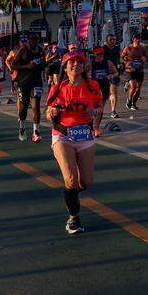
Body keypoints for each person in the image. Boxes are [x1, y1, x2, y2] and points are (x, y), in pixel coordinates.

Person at [45, 51, 104, 235]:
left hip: (84, 135)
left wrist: (94, 114)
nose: (76, 65)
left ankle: (72, 195)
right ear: (65, 66)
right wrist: (52, 114)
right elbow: (49, 112)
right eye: (71, 62)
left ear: (84, 66)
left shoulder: (93, 86)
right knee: (70, 180)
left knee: (85, 181)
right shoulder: (58, 87)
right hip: (62, 135)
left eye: (79, 62)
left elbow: (99, 107)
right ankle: (74, 217)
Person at [7, 42, 46, 141]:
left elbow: (44, 64)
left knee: (36, 106)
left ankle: (36, 132)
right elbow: (12, 65)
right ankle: (22, 128)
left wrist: (42, 64)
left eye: (36, 39)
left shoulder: (40, 51)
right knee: (23, 107)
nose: (33, 41)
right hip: (23, 82)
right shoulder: (20, 51)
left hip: (36, 82)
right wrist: (27, 66)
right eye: (31, 39)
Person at [89, 47, 119, 118]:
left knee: (101, 106)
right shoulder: (91, 63)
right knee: (94, 105)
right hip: (94, 87)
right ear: (94, 55)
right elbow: (84, 72)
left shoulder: (108, 63)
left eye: (101, 54)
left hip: (104, 86)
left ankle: (97, 122)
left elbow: (116, 73)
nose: (100, 56)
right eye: (98, 55)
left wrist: (111, 76)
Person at [121, 36, 148, 111]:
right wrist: (126, 62)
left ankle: (134, 104)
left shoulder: (143, 48)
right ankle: (129, 99)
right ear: (133, 39)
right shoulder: (128, 48)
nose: (138, 40)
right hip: (130, 70)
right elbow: (122, 57)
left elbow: (147, 59)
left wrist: (144, 59)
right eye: (136, 38)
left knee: (138, 88)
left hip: (139, 70)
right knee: (134, 85)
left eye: (139, 38)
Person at [103, 34, 122, 118]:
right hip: (103, 73)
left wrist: (123, 63)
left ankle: (113, 111)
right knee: (103, 94)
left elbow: (121, 58)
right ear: (107, 40)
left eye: (114, 39)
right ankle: (100, 111)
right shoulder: (103, 49)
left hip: (114, 73)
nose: (113, 41)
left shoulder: (117, 49)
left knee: (114, 91)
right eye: (111, 40)